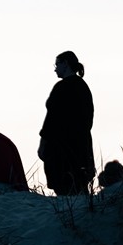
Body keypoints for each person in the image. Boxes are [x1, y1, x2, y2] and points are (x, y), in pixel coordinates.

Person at [38, 50, 95, 195]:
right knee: (79, 188)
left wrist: (43, 142)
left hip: (61, 148)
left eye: (57, 64)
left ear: (66, 64)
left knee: (65, 187)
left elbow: (51, 119)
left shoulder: (61, 87)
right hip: (81, 145)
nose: (55, 68)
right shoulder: (83, 87)